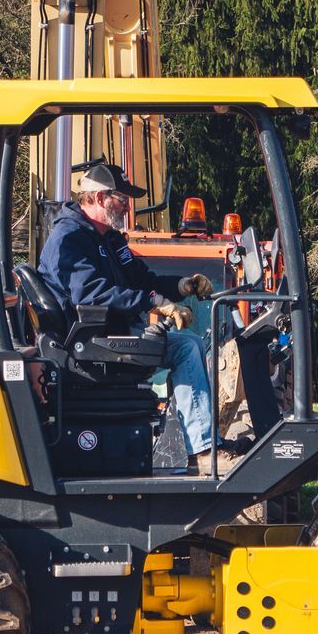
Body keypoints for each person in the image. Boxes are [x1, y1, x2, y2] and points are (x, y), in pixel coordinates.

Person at [39, 161, 220, 469]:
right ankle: (202, 453)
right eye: (120, 197)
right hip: (88, 344)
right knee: (186, 347)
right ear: (98, 198)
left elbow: (141, 278)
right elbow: (91, 294)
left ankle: (201, 448)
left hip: (108, 338)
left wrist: (181, 285)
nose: (126, 205)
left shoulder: (109, 239)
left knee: (187, 344)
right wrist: (154, 303)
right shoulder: (69, 239)